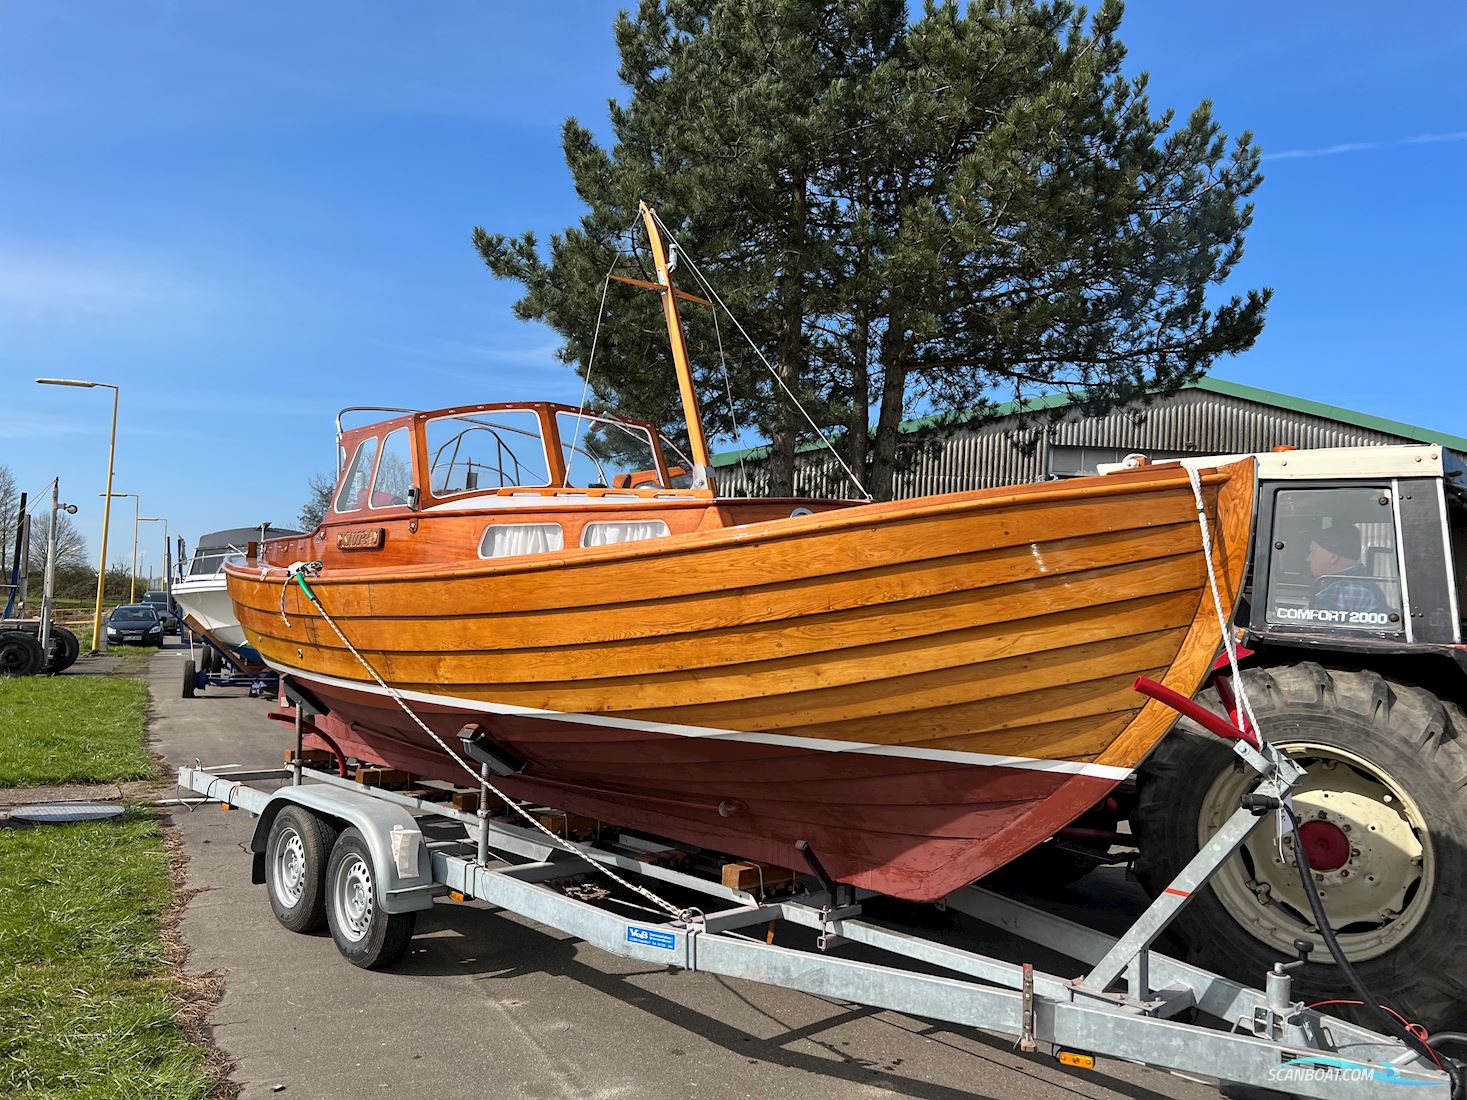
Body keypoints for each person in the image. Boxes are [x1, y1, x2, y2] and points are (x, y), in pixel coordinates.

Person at [1308, 524, 1388, 614]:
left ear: (1333, 557)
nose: (1308, 558)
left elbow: (1311, 624)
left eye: (1312, 552)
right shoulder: (1365, 585)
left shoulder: (1345, 592)